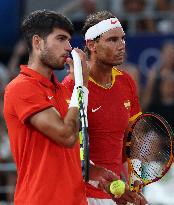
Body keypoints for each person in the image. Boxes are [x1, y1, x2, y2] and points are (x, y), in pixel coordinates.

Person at [3, 10, 119, 205]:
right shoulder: (21, 88)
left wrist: (96, 173)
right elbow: (66, 135)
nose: (69, 47)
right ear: (37, 42)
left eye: (69, 39)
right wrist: (81, 84)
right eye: (61, 39)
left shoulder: (65, 90)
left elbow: (69, 150)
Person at [63, 10, 148, 205]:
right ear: (92, 45)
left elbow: (133, 137)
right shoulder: (72, 85)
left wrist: (135, 178)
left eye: (122, 39)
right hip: (79, 195)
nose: (121, 46)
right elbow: (67, 145)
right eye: (112, 40)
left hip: (116, 195)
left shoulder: (126, 82)